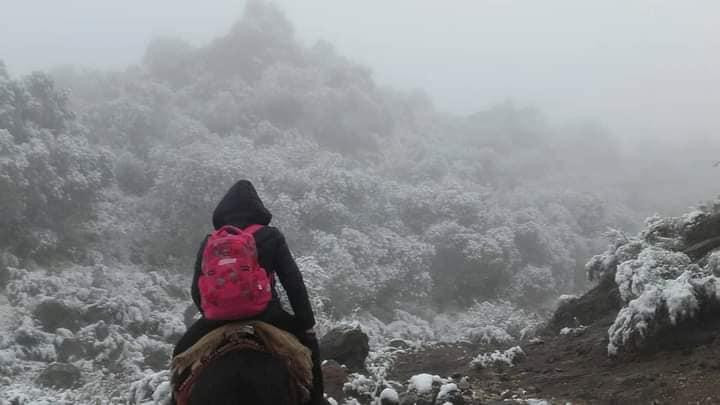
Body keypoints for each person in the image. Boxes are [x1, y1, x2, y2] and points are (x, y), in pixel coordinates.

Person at [173, 179, 325, 404]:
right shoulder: (271, 236)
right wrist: (305, 322)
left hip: (216, 320)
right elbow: (293, 282)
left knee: (180, 357)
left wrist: (214, 313)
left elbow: (197, 290)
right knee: (309, 350)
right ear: (258, 210)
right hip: (268, 314)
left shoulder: (211, 241)